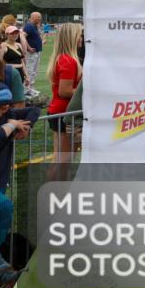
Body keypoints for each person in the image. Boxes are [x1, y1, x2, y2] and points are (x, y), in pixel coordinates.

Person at [0, 56, 39, 288]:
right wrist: (10, 126)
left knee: (1, 210)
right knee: (2, 207)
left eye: (7, 106)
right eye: (1, 106)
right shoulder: (6, 122)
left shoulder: (7, 116)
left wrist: (23, 125)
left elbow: (32, 110)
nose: (5, 109)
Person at [47, 23, 83, 177]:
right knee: (63, 163)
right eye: (79, 35)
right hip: (65, 114)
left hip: (58, 112)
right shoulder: (69, 60)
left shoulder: (62, 58)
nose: (82, 38)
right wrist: (86, 91)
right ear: (72, 38)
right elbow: (65, 91)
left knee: (60, 160)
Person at [22, 12, 43, 97]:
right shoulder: (29, 26)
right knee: (30, 71)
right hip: (31, 53)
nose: (40, 19)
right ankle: (26, 90)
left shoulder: (34, 26)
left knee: (34, 71)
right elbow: (23, 36)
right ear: (33, 17)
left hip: (37, 52)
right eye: (38, 17)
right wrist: (28, 47)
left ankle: (31, 88)